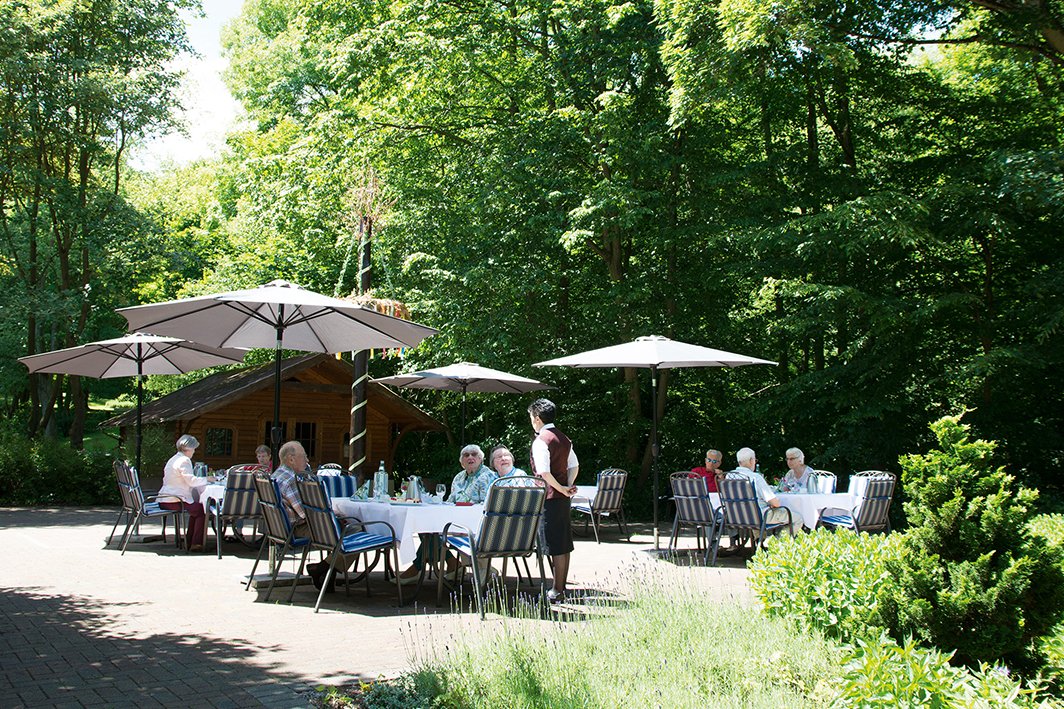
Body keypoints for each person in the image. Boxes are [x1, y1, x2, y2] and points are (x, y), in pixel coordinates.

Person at [396, 445, 498, 584]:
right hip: (456, 520)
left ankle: (419, 567)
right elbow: (450, 501)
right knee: (427, 526)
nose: (470, 457)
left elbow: (486, 505)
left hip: (476, 525)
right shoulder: (459, 477)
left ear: (481, 459)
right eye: (466, 455)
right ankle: (451, 563)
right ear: (461, 461)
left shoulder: (488, 476)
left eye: (474, 454)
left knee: (433, 531)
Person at [528, 398, 579, 604]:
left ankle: (557, 590)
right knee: (563, 544)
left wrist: (561, 489)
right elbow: (574, 466)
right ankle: (560, 588)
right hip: (561, 498)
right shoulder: (564, 438)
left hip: (548, 498)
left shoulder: (541, 440)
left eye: (531, 418)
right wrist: (567, 486)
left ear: (537, 419)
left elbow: (544, 473)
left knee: (554, 545)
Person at [729, 447, 803, 536]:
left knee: (757, 511)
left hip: (737, 516)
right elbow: (775, 503)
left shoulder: (729, 476)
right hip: (759, 517)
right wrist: (772, 504)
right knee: (797, 518)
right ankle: (778, 544)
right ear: (751, 460)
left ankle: (760, 543)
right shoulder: (755, 478)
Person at [157, 435, 209, 551]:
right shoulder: (184, 460)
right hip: (173, 499)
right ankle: (196, 543)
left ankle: (190, 540)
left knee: (196, 509)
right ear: (189, 449)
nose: (194, 452)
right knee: (201, 510)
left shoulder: (174, 458)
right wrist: (208, 479)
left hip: (165, 498)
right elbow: (191, 481)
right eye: (194, 449)